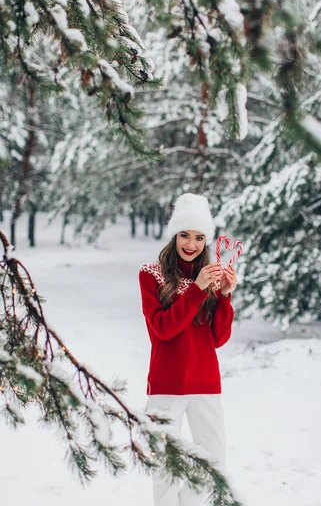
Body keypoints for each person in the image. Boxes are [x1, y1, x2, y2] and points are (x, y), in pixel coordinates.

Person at [139, 192, 237, 506]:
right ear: (174, 235)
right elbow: (163, 329)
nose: (191, 244)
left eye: (198, 237)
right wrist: (195, 292)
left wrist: (223, 296)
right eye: (184, 235)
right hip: (166, 383)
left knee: (212, 459)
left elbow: (218, 339)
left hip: (205, 382)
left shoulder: (210, 276)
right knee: (165, 461)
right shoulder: (151, 275)